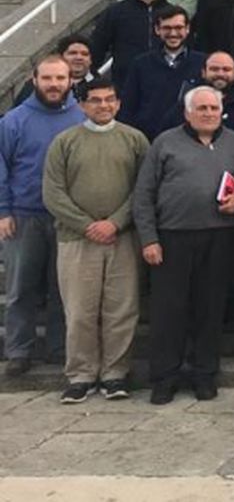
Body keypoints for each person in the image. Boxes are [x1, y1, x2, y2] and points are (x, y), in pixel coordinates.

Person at [133, 86, 234, 403]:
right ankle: (165, 377)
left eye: (213, 108)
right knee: (169, 311)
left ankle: (204, 374)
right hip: (173, 237)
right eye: (202, 108)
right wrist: (149, 239)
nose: (208, 113)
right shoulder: (165, 142)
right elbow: (143, 195)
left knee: (209, 309)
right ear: (187, 112)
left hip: (219, 235)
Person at [41, 78, 148, 398]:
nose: (104, 106)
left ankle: (115, 373)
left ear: (118, 103)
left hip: (122, 239)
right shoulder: (65, 141)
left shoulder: (135, 140)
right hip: (77, 240)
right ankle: (80, 375)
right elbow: (53, 192)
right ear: (83, 105)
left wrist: (115, 223)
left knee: (121, 309)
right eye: (96, 100)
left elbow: (143, 189)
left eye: (110, 100)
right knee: (80, 310)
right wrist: (87, 224)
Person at [1, 58, 86, 377]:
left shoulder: (81, 118)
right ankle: (18, 350)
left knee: (62, 288)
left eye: (60, 78)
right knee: (21, 288)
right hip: (24, 216)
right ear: (34, 79)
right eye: (48, 78)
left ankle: (59, 347)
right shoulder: (13, 120)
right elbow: (1, 168)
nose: (54, 84)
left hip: (68, 218)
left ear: (70, 80)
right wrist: (3, 210)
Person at [117, 5, 205, 141]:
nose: (173, 33)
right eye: (167, 28)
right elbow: (128, 106)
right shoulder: (141, 63)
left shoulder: (203, 63)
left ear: (187, 29)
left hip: (191, 141)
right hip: (148, 140)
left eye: (178, 28)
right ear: (157, 30)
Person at [90, 0, 170, 87]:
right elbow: (97, 46)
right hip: (125, 84)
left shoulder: (173, 13)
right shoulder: (116, 12)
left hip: (165, 83)